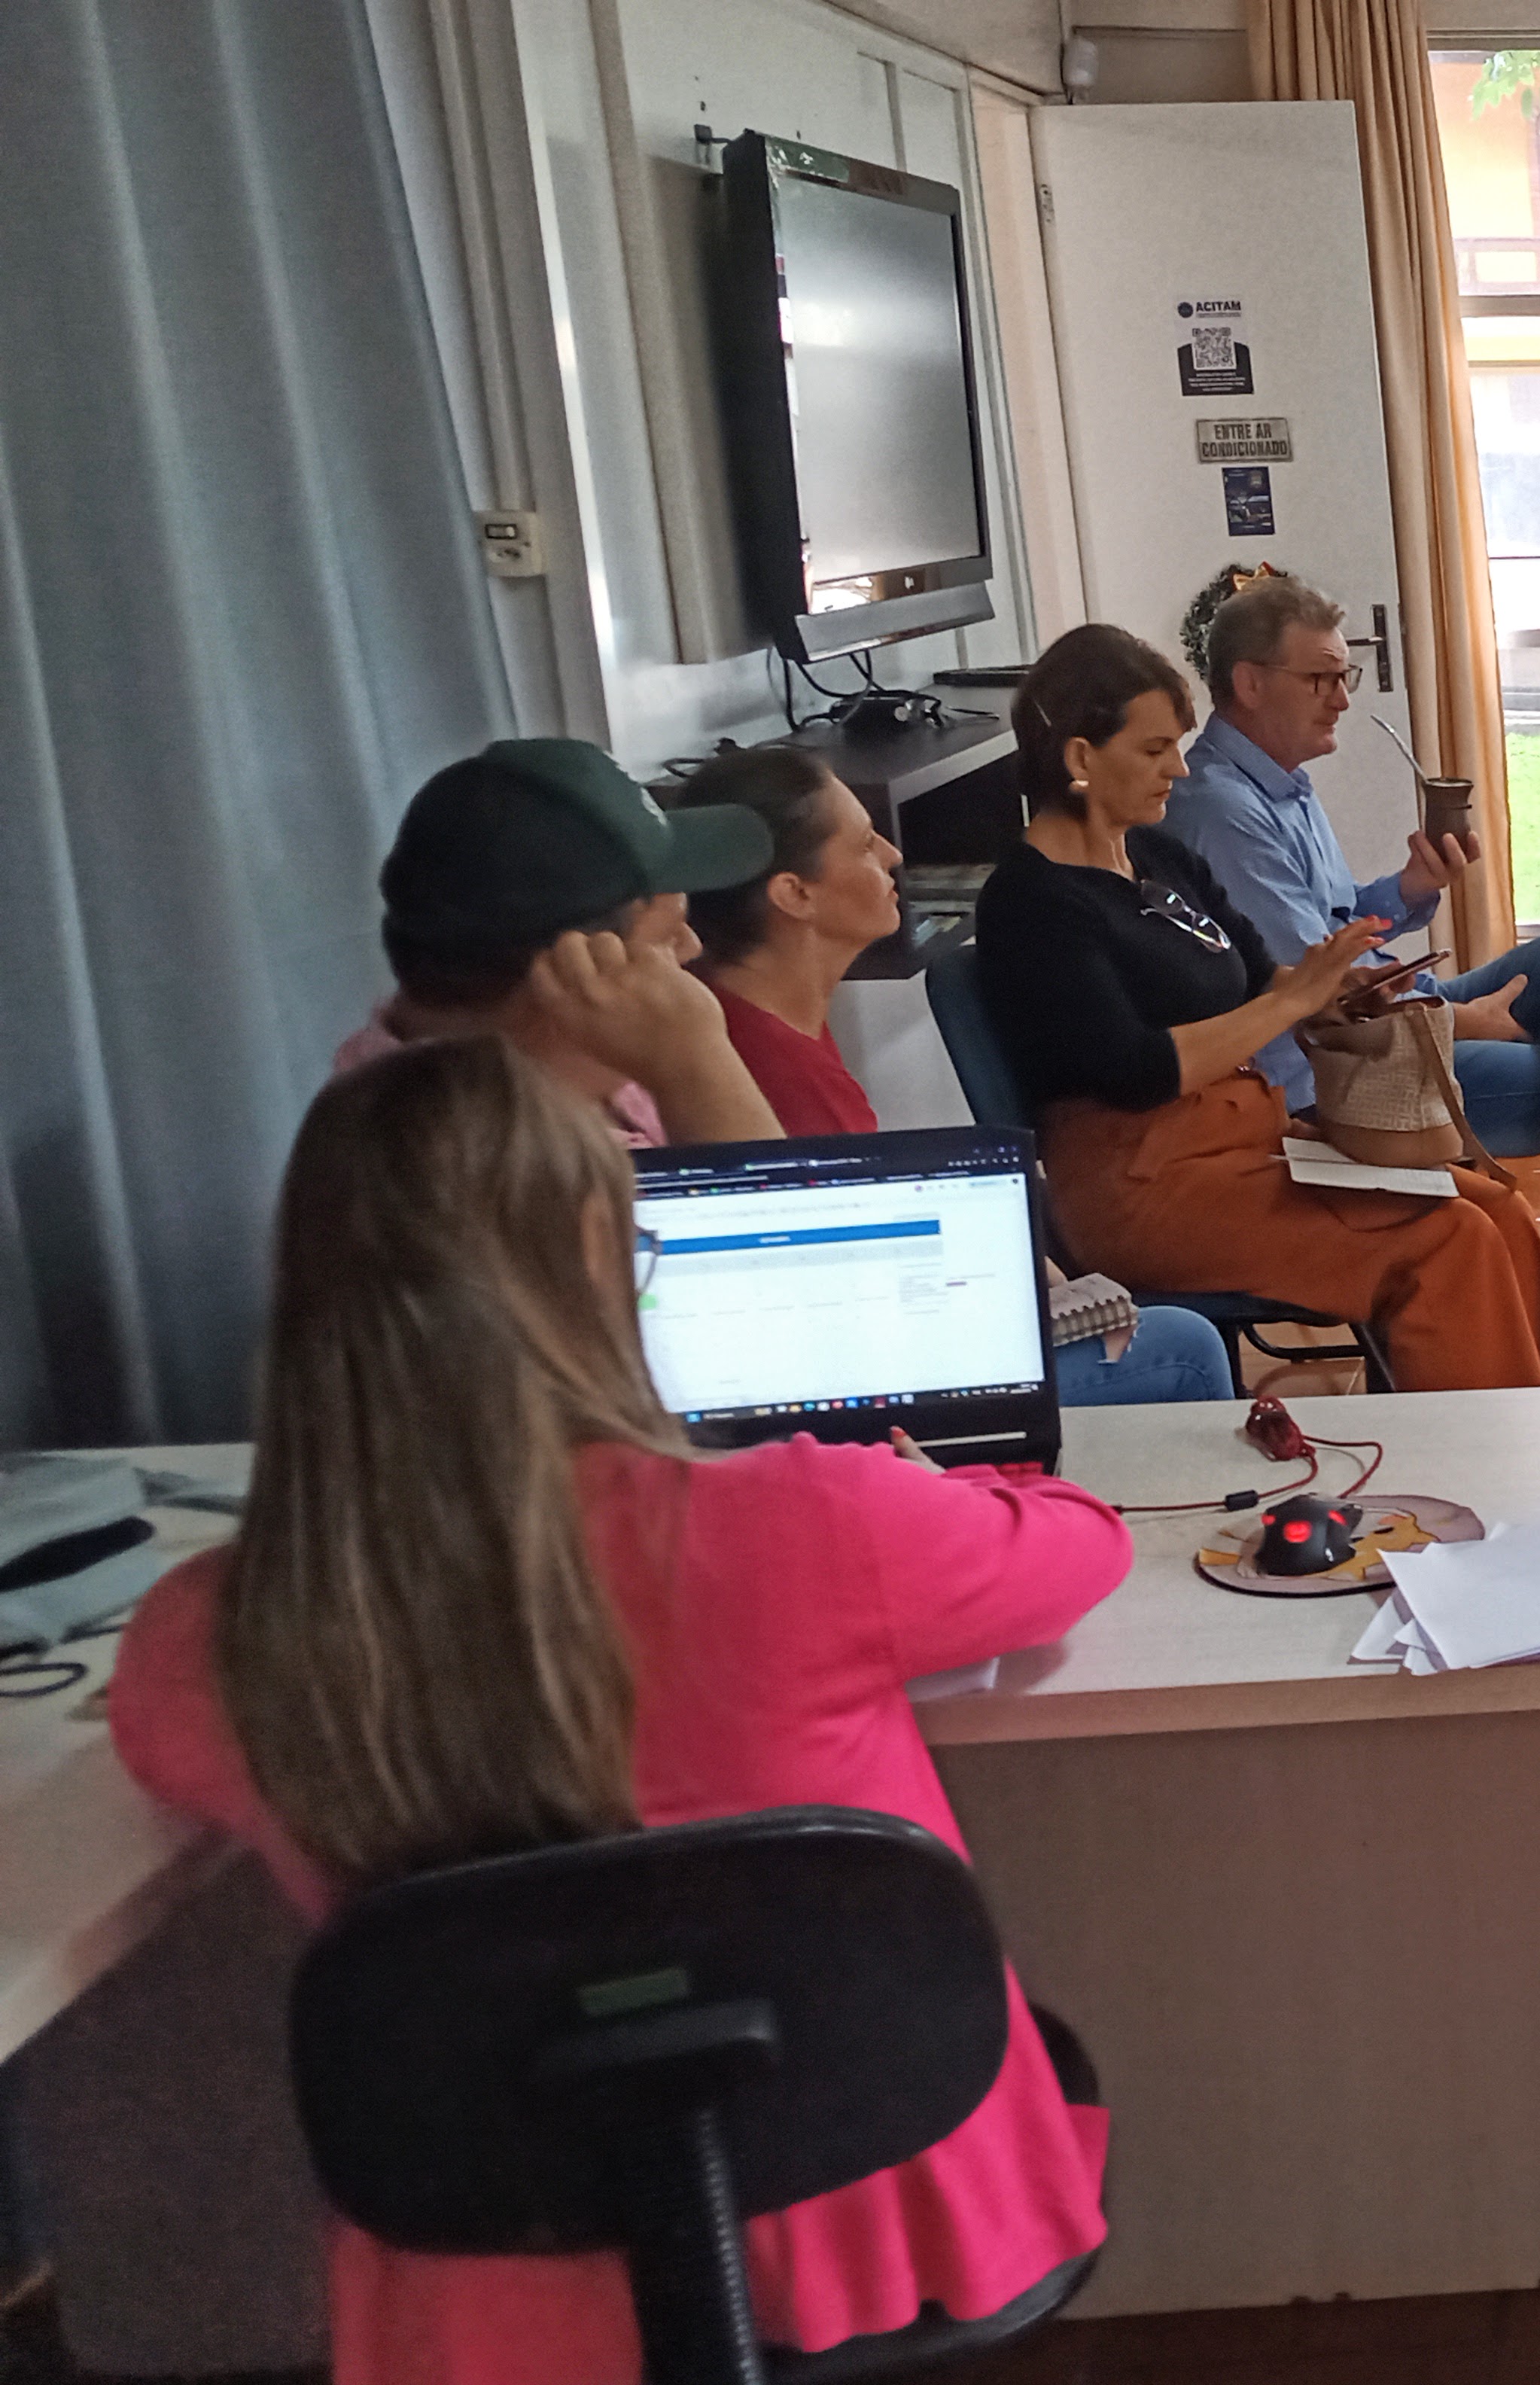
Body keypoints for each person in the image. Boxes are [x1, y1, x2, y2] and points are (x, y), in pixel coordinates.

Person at [110, 1037, 1130, 2383]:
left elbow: (167, 1750)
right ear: (594, 1270)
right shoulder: (801, 1519)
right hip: (873, 2202)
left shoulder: (208, 1635)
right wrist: (930, 1491)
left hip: (491, 2271)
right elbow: (1081, 1548)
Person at [972, 625, 1540, 1391]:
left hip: (1245, 1144)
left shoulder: (1158, 856)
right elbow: (1138, 1070)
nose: (1178, 768)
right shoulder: (1031, 903)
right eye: (1154, 749)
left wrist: (1338, 991)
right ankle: (1490, 1456)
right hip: (1142, 1190)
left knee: (1496, 1209)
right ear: (1079, 758)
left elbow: (1263, 980)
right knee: (1448, 1240)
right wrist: (1293, 1000)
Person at [1158, 571, 1540, 1381]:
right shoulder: (1221, 809)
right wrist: (1458, 1018)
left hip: (1381, 1022)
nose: (1341, 698)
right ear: (1250, 683)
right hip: (1334, 1073)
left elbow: (1337, 926)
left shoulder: (1284, 787)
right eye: (1321, 679)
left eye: (1343, 676)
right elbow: (1324, 987)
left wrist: (1408, 890)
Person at [668, 745, 1238, 1407]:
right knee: (1184, 1348)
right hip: (875, 1395)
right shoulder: (764, 1067)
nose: (892, 855)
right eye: (864, 845)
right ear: (795, 894)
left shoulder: (750, 1015)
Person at [343, 738, 786, 1147]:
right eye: (668, 936)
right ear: (570, 969)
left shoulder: (581, 1066)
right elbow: (778, 1207)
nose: (692, 945)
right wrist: (697, 1063)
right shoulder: (486, 1172)